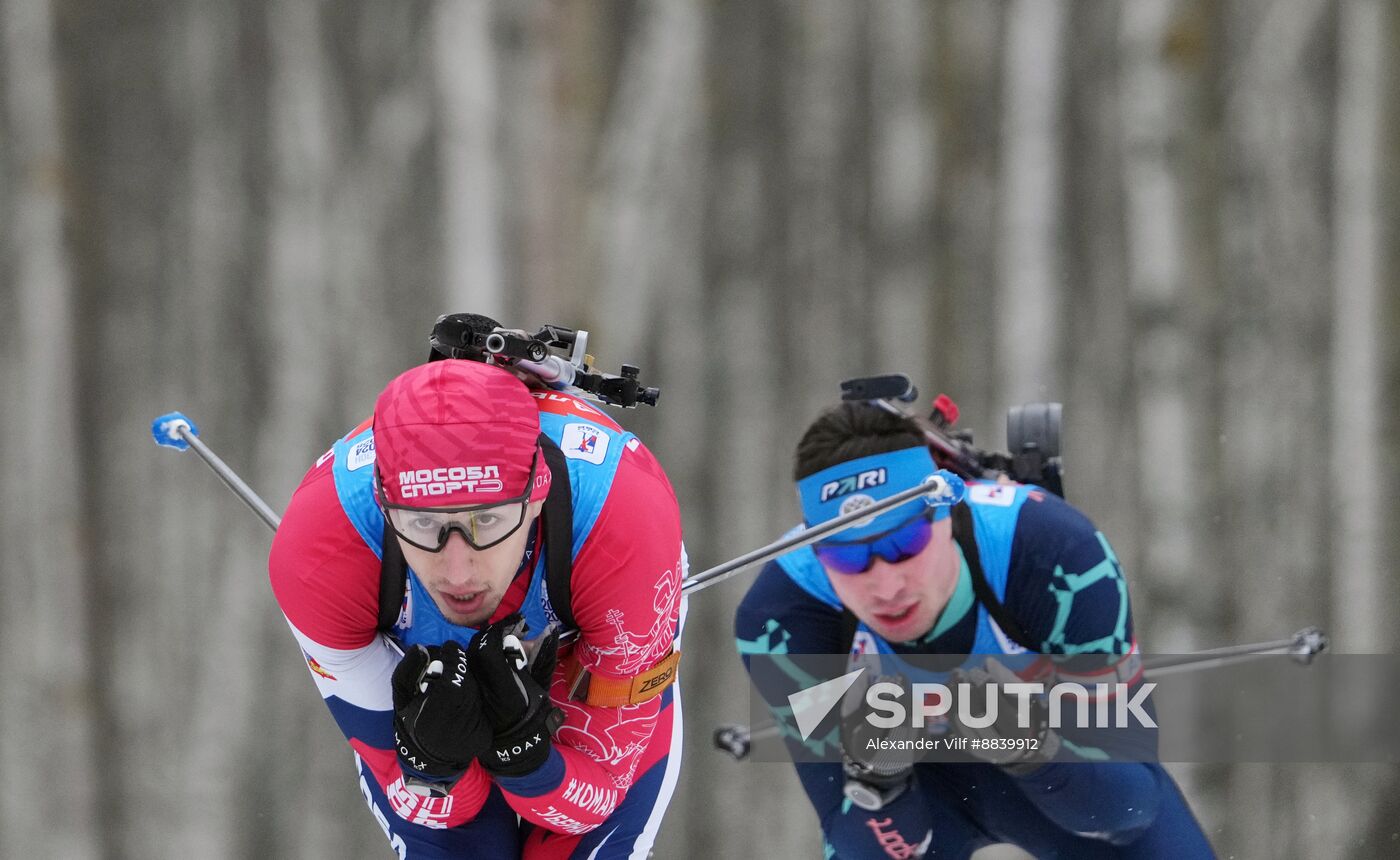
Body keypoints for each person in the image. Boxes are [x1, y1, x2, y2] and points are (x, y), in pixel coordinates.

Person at [734, 401, 1215, 858]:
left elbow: (1127, 812)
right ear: (817, 552)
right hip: (924, 803)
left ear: (945, 511)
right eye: (848, 556)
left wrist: (1036, 749)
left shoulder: (1054, 553)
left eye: (905, 543)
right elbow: (855, 843)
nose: (884, 584)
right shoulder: (781, 617)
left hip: (1066, 775)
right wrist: (881, 780)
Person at [269, 358, 686, 858]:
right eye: (423, 526)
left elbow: (597, 798)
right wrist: (433, 765)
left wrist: (527, 762)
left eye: (486, 521)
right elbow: (417, 798)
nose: (458, 572)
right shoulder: (322, 553)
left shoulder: (623, 523)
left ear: (536, 496)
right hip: (413, 654)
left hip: (587, 639)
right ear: (383, 502)